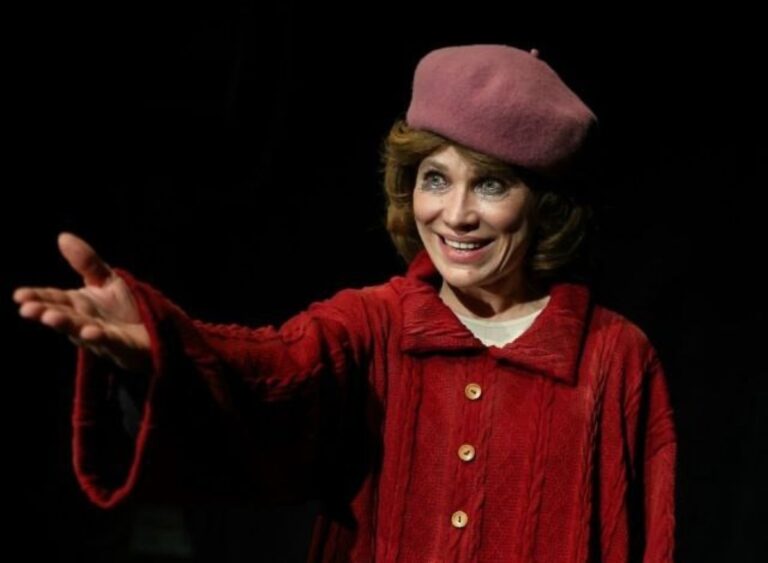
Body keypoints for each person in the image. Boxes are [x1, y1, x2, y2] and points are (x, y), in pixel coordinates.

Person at [13, 44, 676, 562]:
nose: (455, 214)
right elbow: (268, 370)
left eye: (491, 185)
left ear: (545, 206)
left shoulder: (613, 355)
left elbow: (646, 539)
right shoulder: (373, 325)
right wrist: (160, 341)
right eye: (435, 179)